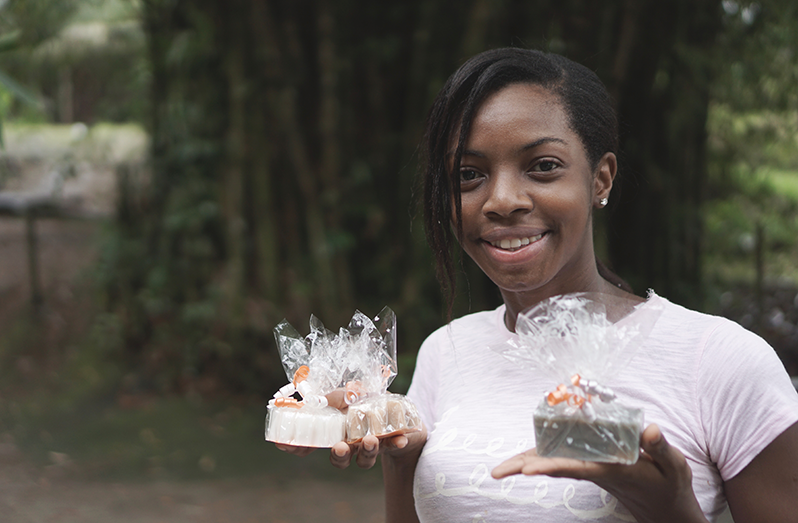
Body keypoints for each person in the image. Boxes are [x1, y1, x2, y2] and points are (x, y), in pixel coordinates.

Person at [277, 48, 798, 522]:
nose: (502, 199)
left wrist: (670, 509)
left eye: (543, 167)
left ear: (600, 179)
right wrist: (402, 459)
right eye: (468, 175)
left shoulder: (721, 360)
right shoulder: (447, 352)